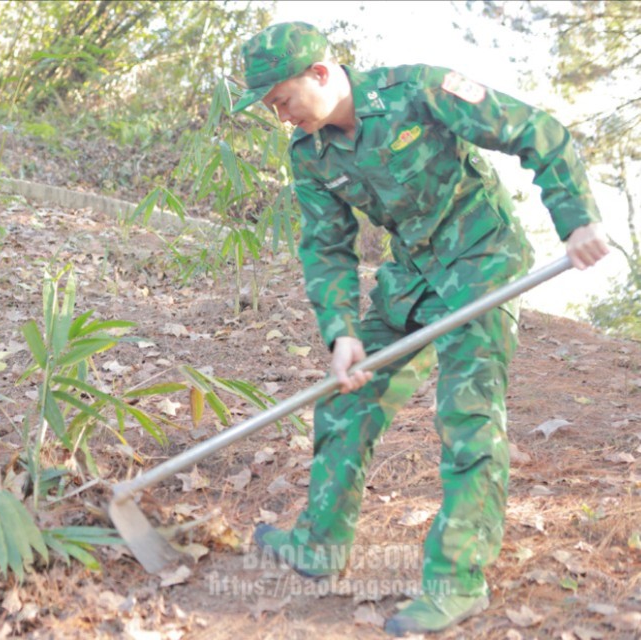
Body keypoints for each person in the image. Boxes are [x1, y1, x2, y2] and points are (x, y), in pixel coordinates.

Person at [230, 22, 609, 635]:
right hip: (410, 277)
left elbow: (538, 131)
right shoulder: (310, 153)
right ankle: (318, 546)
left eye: (281, 100)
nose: (280, 117)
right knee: (345, 399)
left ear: (320, 74)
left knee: (467, 419)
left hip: (482, 265)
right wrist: (342, 331)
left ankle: (457, 582)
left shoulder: (418, 91)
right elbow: (325, 248)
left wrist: (576, 220)